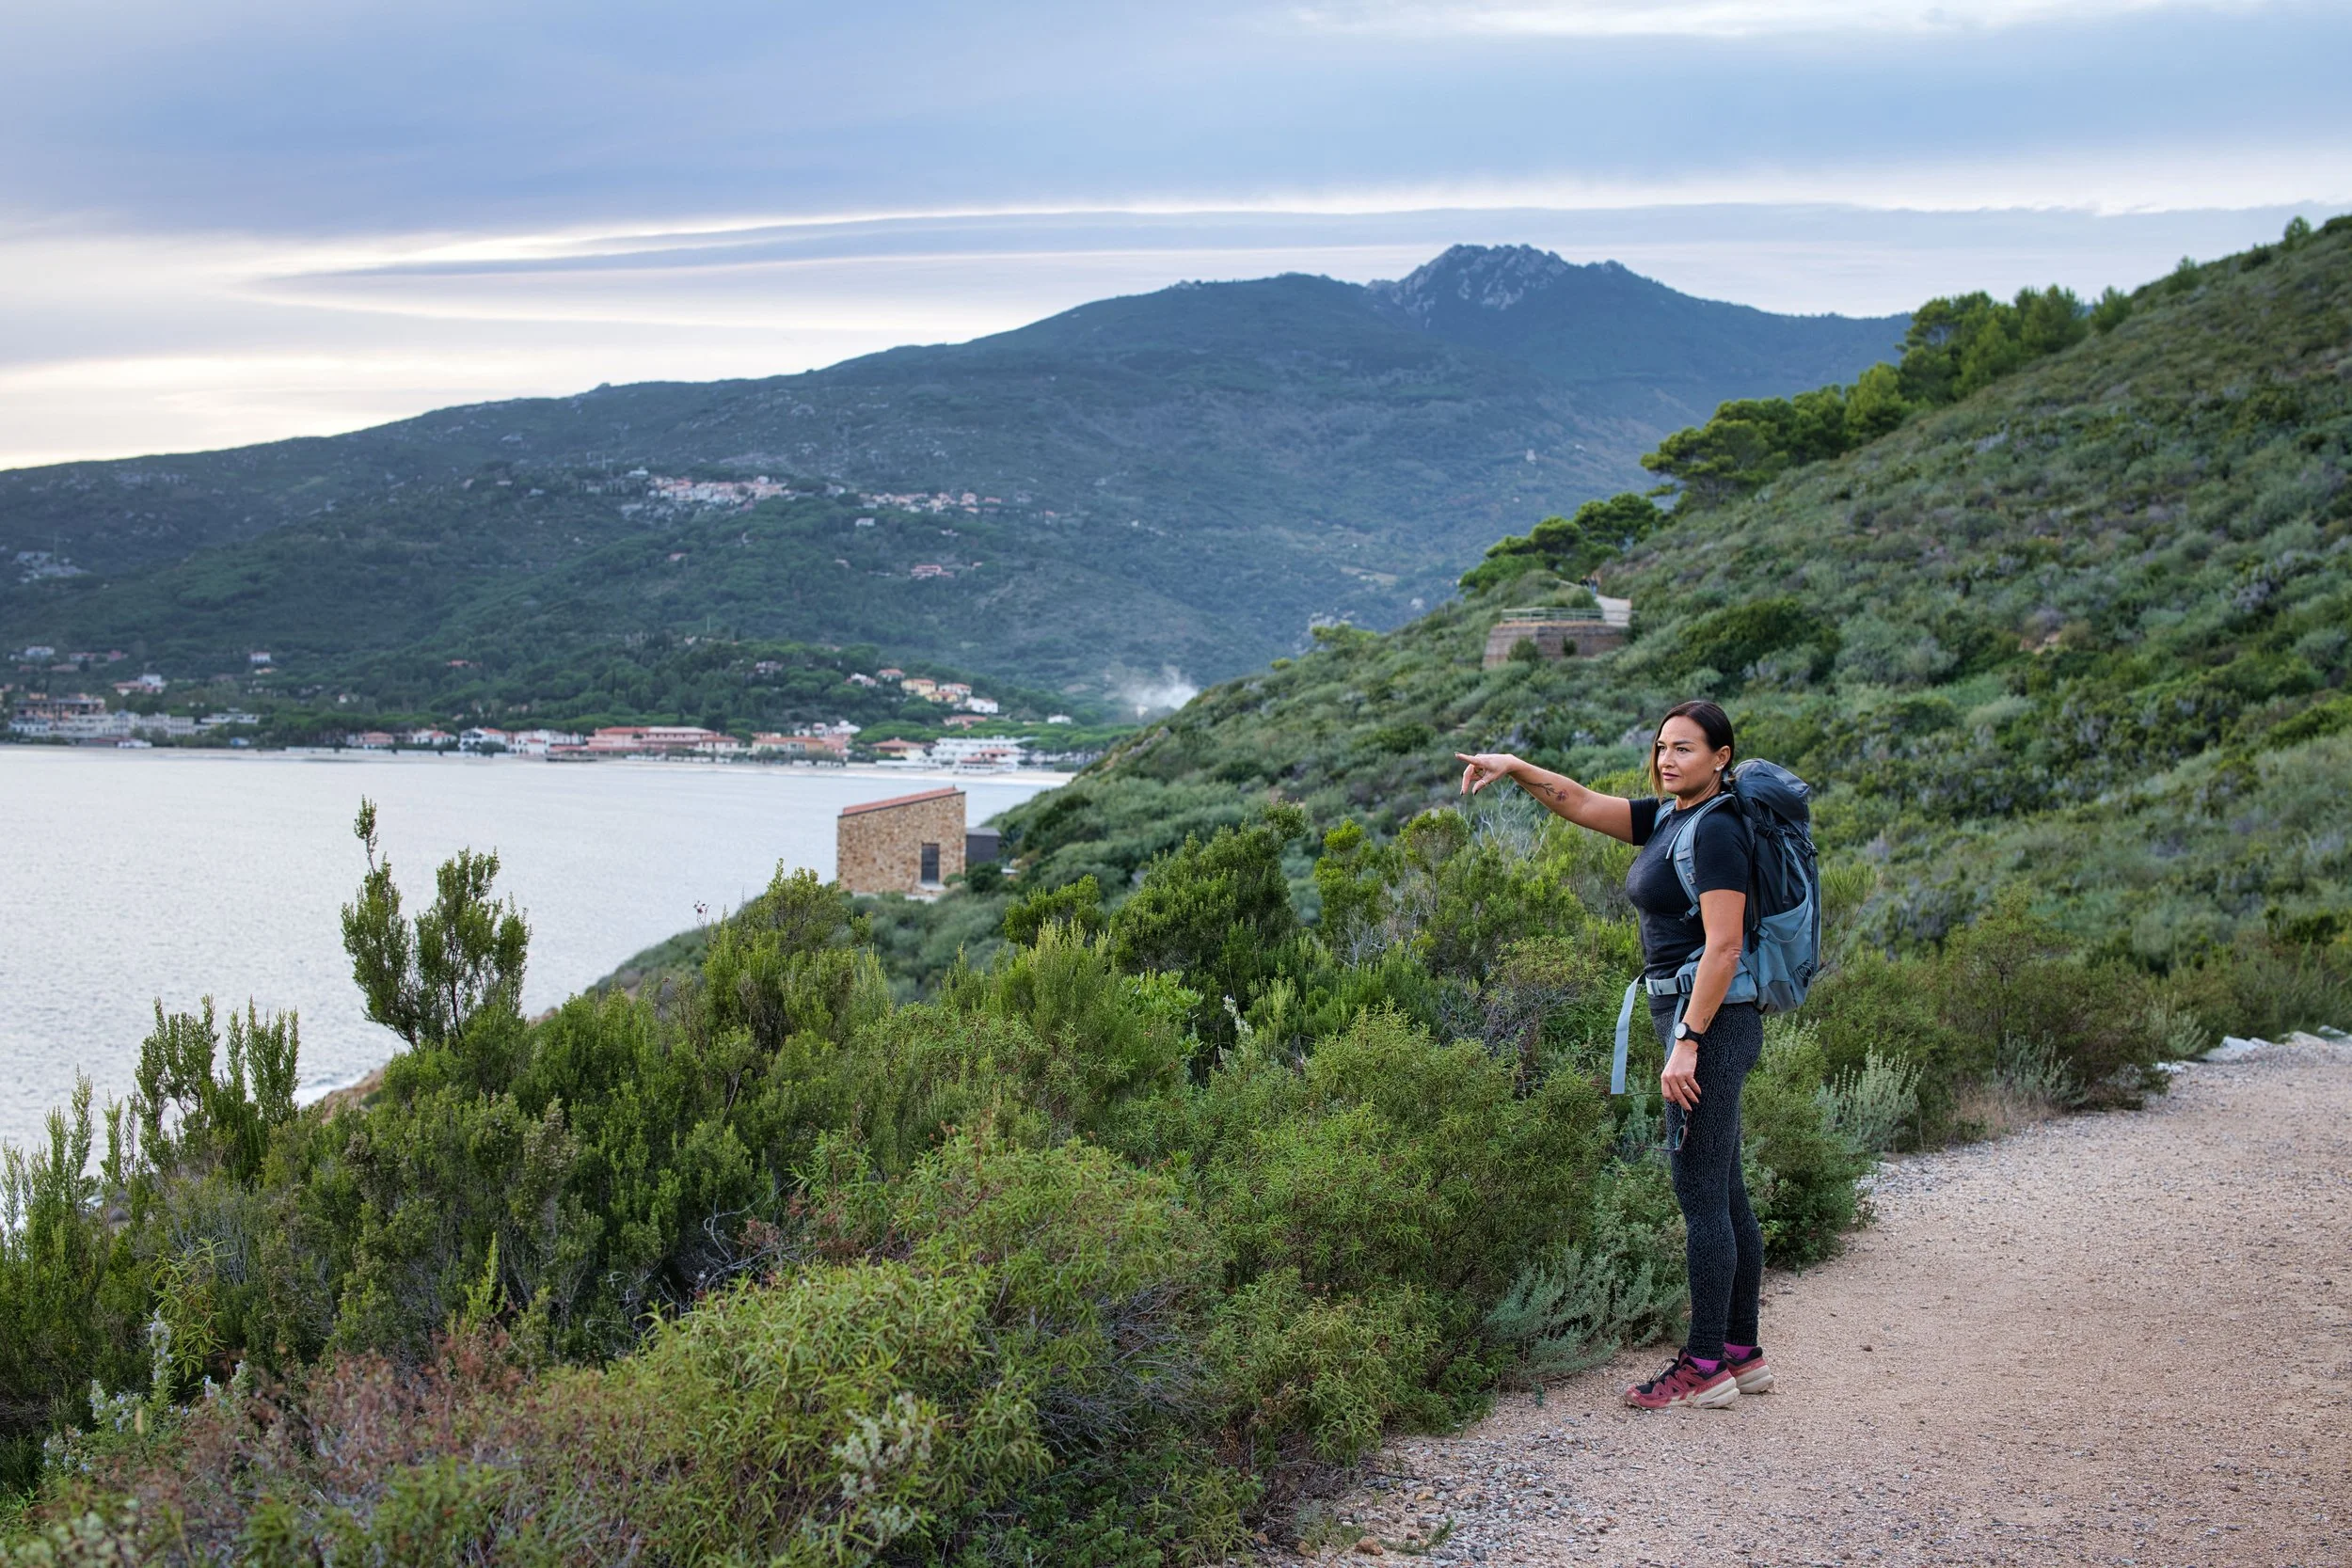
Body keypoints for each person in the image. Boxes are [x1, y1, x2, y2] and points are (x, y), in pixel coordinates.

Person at [1457, 699, 1772, 1411]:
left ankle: (1704, 1365)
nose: (1667, 759)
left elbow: (1723, 945)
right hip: (1706, 1019)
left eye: (1684, 749)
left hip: (1711, 1023)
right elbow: (1582, 802)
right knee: (1724, 1188)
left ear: (1721, 757)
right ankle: (1741, 1352)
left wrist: (1687, 1041)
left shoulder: (1717, 830)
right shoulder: (1671, 818)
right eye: (1662, 746)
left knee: (1700, 1193)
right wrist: (1514, 769)